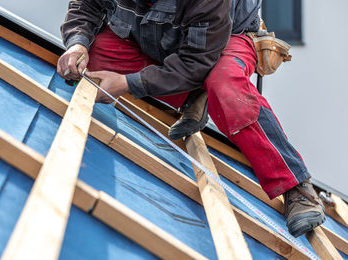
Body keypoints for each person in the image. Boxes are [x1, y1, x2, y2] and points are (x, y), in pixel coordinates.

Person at [57, 0, 325, 237]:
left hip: (224, 41)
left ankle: (296, 188)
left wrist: (128, 83)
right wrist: (77, 42)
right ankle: (193, 96)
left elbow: (197, 61)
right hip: (159, 39)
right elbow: (87, 5)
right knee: (95, 58)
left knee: (225, 86)